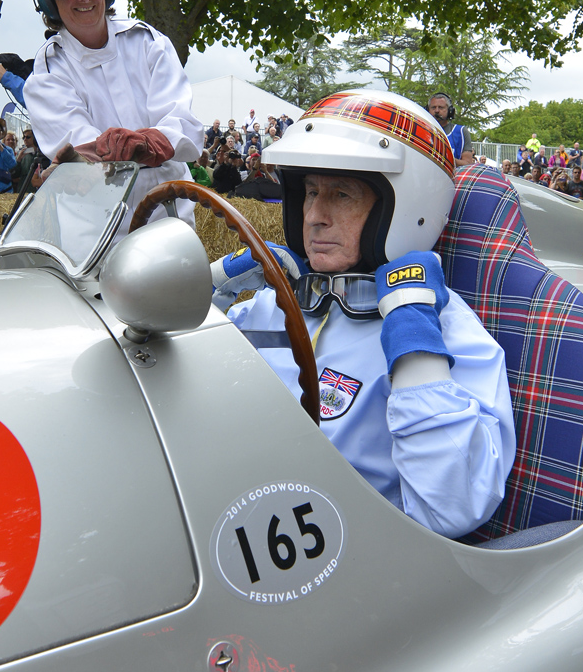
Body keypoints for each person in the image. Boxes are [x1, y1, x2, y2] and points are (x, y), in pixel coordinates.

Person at [214, 89, 514, 537]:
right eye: (310, 192)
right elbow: (178, 380)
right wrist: (213, 286)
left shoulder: (447, 331)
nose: (314, 215)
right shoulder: (277, 302)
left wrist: (414, 343)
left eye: (342, 195)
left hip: (347, 556)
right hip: (223, 510)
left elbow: (452, 509)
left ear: (405, 208)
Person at [23, 0, 204, 239]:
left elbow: (185, 126)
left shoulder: (148, 41)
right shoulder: (48, 70)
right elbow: (77, 151)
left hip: (168, 212)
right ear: (48, 3)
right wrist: (117, 150)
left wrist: (150, 143)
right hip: (96, 226)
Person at [427, 92, 474, 167]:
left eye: (441, 107)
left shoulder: (461, 131)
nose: (437, 111)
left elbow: (467, 163)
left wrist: (446, 159)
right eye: (433, 107)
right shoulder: (422, 129)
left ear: (450, 111)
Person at [13, 126, 50, 191]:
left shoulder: (44, 153)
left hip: (40, 191)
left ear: (35, 138)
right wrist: (18, 160)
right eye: (23, 137)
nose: (25, 139)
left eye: (28, 137)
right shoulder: (21, 154)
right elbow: (14, 174)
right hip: (24, 190)